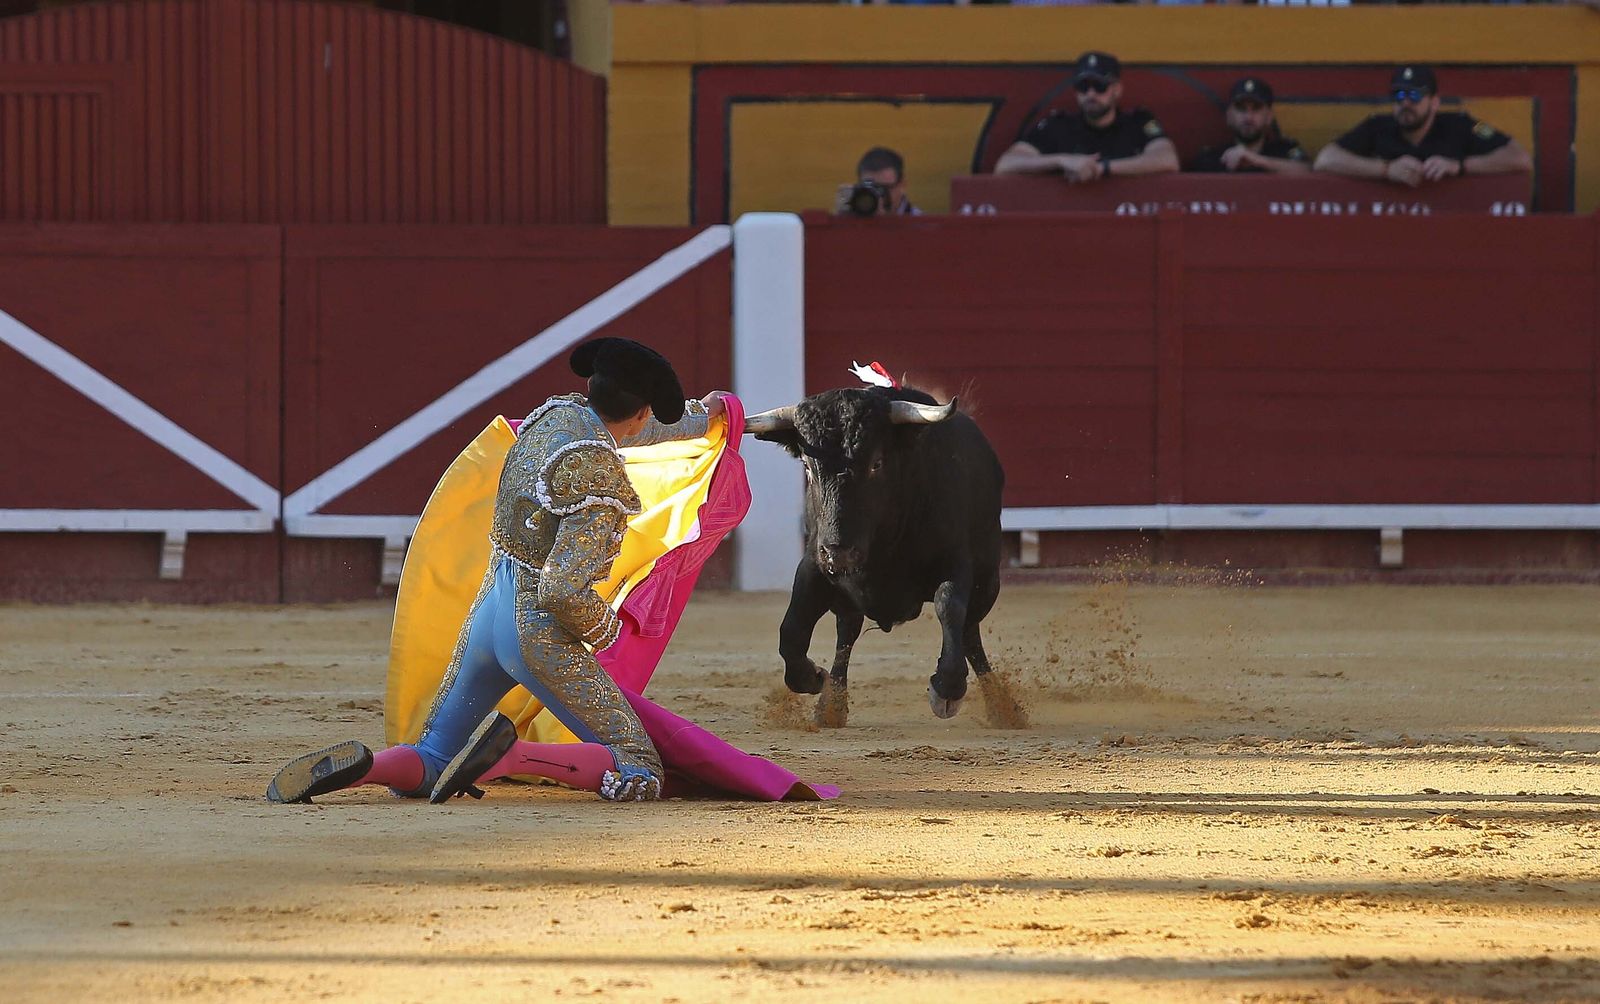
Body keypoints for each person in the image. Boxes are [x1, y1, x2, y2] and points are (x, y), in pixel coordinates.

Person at [267, 337, 728, 805]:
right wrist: (608, 632)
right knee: (640, 766)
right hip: (536, 638)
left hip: (488, 616)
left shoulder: (554, 417)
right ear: (643, 411)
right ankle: (512, 756)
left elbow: (629, 431)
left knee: (433, 756)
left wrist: (703, 416)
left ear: (593, 386)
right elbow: (560, 589)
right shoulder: (601, 476)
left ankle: (367, 769)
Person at [1313, 65, 1532, 187]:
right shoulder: (1377, 125)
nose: (1405, 104)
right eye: (1399, 96)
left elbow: (1520, 157)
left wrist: (1460, 166)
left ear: (1435, 102)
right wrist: (1386, 170)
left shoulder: (1462, 124)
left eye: (1415, 95)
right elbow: (1326, 159)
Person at [994, 51, 1179, 183]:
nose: (1091, 94)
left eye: (1099, 86)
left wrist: (1102, 169)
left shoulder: (1137, 122)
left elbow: (1167, 160)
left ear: (1117, 90)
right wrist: (1061, 161)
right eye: (1083, 87)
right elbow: (1005, 165)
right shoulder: (1058, 126)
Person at [1188, 77, 1310, 174]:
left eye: (1256, 109)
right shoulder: (1212, 158)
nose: (1248, 117)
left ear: (1269, 116)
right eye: (1241, 109)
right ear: (1229, 116)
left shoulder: (1284, 151)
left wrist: (1258, 160)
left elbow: (1308, 172)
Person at [833, 146, 921, 217]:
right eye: (870, 188)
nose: (878, 197)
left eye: (884, 188)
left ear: (902, 185)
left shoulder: (920, 224)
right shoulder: (853, 218)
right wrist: (842, 222)